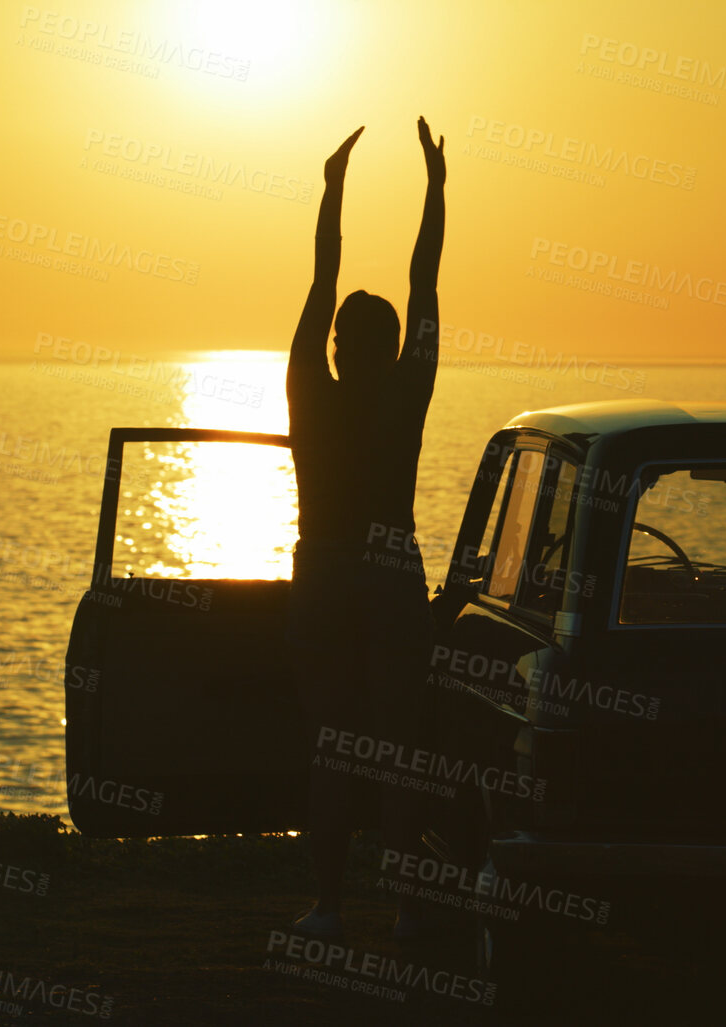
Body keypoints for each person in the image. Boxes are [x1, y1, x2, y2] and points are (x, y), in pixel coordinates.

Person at [286, 118, 445, 939]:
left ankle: (327, 906)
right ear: (392, 348)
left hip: (322, 575)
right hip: (388, 575)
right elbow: (425, 283)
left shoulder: (311, 389)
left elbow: (321, 284)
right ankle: (409, 910)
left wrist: (333, 188)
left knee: (333, 746)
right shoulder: (405, 395)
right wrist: (435, 189)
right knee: (397, 749)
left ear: (340, 346)